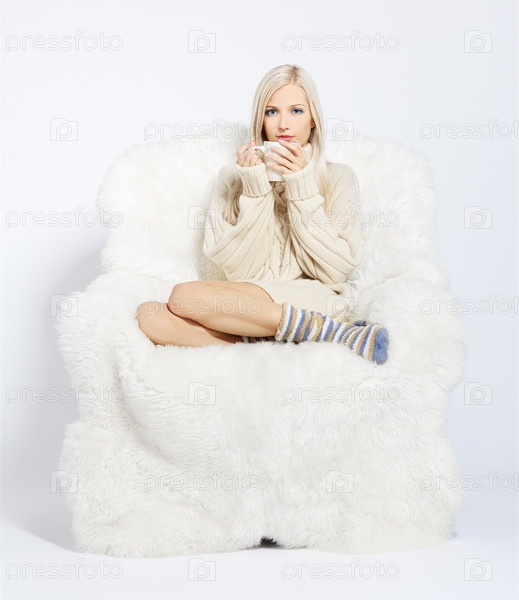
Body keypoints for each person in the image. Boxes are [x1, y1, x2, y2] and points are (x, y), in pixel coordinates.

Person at [136, 64, 388, 364]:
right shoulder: (234, 178)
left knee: (183, 297)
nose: (283, 125)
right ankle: (317, 335)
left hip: (316, 297)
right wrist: (255, 190)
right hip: (251, 301)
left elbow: (335, 272)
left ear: (313, 120)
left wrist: (301, 187)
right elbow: (243, 273)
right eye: (271, 112)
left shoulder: (338, 178)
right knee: (149, 315)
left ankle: (314, 327)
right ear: (260, 120)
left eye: (296, 111)